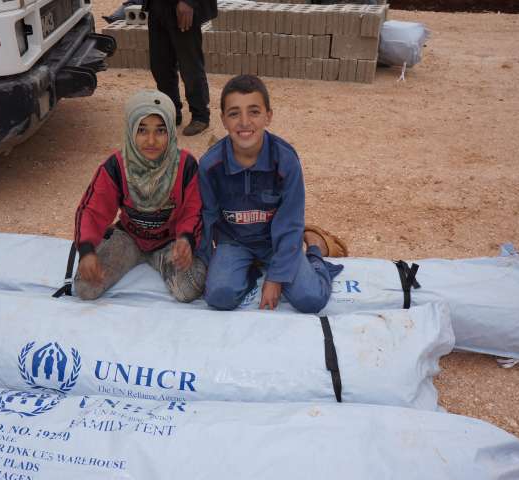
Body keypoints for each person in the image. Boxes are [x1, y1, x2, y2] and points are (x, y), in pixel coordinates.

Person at [198, 75, 348, 313]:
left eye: (254, 112)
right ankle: (248, 269)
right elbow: (206, 218)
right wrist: (205, 264)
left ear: (268, 115)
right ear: (223, 120)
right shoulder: (210, 165)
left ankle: (316, 248)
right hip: (234, 242)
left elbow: (290, 222)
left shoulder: (285, 161)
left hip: (277, 241)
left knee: (310, 299)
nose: (244, 122)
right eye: (234, 113)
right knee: (218, 296)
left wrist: (276, 278)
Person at [74, 89, 206, 302]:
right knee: (85, 288)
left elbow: (195, 209)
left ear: (171, 131)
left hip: (169, 242)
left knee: (189, 288)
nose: (151, 140)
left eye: (161, 130)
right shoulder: (116, 166)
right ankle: (131, 254)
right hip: (128, 238)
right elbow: (91, 210)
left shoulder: (185, 165)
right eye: (142, 130)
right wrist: (87, 251)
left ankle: (160, 259)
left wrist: (186, 240)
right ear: (130, 130)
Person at [143, 0, 217, 136]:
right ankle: (171, 111)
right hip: (157, 6)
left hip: (181, 6)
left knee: (190, 65)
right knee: (160, 65)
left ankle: (200, 116)